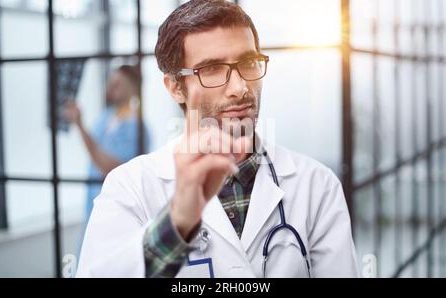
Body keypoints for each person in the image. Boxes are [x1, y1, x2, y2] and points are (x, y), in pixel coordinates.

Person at [77, 0, 359, 278]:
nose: (240, 88)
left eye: (248, 62)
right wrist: (176, 224)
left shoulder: (317, 185)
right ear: (176, 87)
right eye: (211, 69)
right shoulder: (130, 187)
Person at [64, 65, 148, 223]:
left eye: (118, 84)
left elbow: (111, 168)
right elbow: (94, 149)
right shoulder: (106, 117)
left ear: (133, 88)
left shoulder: (137, 128)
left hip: (117, 213)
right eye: (110, 83)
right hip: (93, 206)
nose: (111, 88)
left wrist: (80, 125)